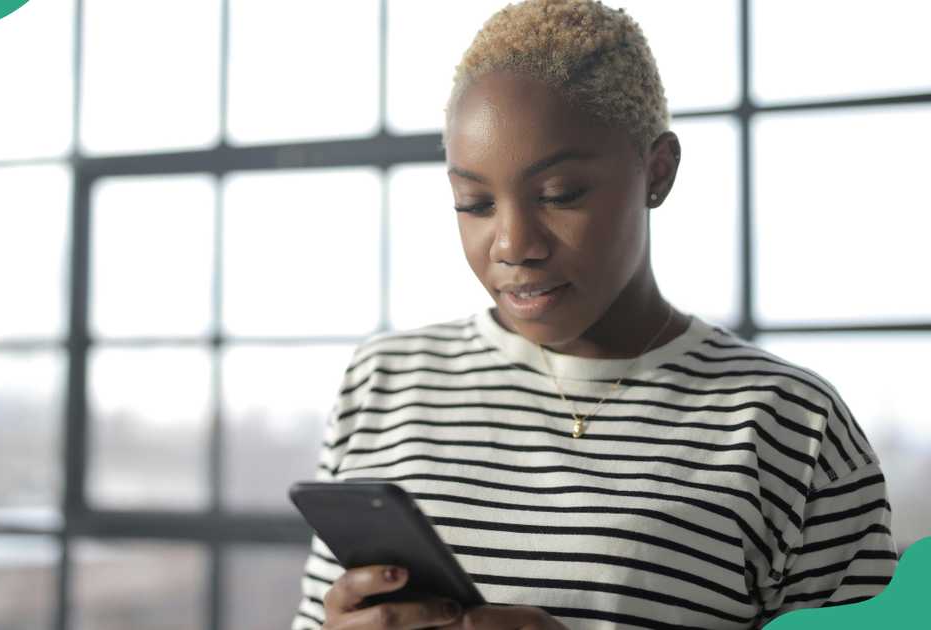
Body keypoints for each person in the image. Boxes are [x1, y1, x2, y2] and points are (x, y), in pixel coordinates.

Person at [290, 1, 897, 628]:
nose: (512, 244)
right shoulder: (386, 379)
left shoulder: (790, 426)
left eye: (559, 195)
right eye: (473, 203)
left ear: (656, 171)